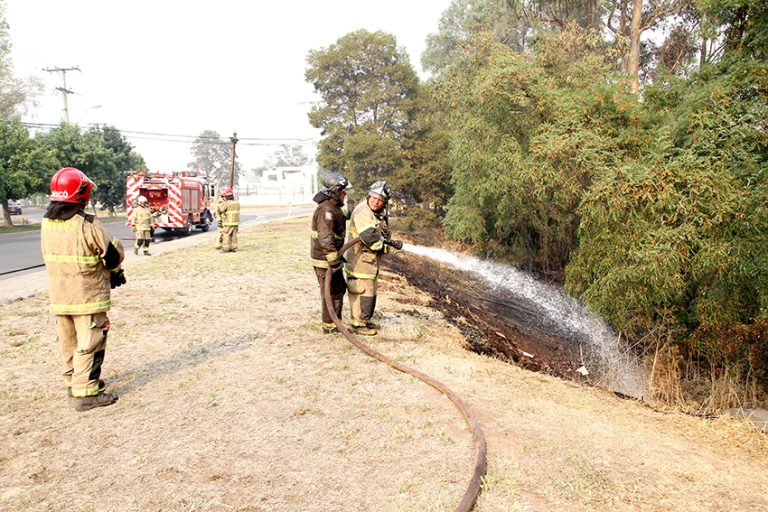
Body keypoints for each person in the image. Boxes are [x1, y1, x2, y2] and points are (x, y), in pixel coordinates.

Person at [40, 167, 126, 411]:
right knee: (91, 342)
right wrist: (116, 271)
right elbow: (112, 253)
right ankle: (86, 392)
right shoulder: (86, 223)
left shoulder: (47, 223)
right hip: (87, 296)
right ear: (81, 193)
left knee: (68, 342)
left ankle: (73, 382)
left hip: (60, 296)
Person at [344, 180, 403, 336]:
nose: (376, 202)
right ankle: (357, 324)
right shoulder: (362, 212)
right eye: (374, 198)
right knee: (362, 292)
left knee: (370, 293)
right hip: (359, 262)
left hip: (369, 262)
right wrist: (384, 246)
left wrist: (387, 241)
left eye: (380, 200)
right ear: (369, 195)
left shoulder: (376, 213)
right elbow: (370, 238)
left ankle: (365, 320)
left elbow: (381, 233)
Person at [311, 173, 353, 334]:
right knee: (329, 292)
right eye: (343, 191)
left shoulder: (334, 207)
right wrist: (333, 258)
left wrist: (352, 208)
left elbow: (342, 216)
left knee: (338, 289)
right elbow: (325, 236)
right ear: (335, 191)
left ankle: (336, 323)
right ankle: (330, 327)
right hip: (325, 260)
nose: (345, 194)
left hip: (332, 258)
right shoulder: (326, 210)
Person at [218, 187, 240, 252]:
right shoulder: (237, 203)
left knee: (226, 235)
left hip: (228, 223)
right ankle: (234, 248)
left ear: (226, 197)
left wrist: (221, 202)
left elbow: (220, 210)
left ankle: (226, 249)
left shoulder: (227, 203)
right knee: (234, 236)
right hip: (235, 223)